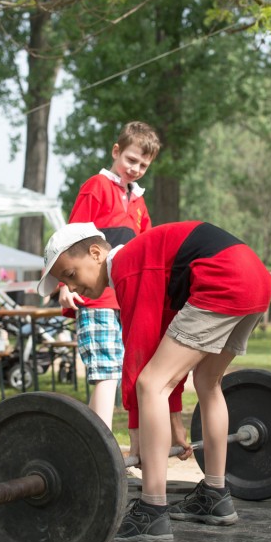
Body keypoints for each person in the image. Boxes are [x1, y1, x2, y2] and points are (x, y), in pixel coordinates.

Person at [37, 221, 271, 542]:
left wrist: (137, 432)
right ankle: (215, 494)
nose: (72, 287)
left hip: (224, 278)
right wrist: (173, 419)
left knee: (151, 384)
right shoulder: (143, 258)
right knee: (207, 381)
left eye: (71, 274)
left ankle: (151, 511)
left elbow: (140, 354)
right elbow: (164, 343)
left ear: (96, 253)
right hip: (255, 280)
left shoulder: (127, 267)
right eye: (65, 283)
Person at [59, 121, 161, 430]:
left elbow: (146, 245)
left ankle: (95, 443)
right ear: (116, 151)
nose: (135, 169)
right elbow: (72, 237)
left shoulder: (138, 201)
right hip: (96, 296)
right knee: (107, 372)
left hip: (126, 298)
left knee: (123, 370)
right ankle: (102, 449)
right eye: (131, 159)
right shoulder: (97, 187)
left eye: (143, 165)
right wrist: (65, 283)